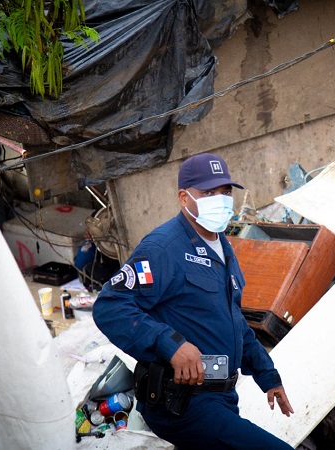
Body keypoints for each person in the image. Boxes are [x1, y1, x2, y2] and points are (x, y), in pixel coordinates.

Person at [92, 153, 294, 449]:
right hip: (184, 401)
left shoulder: (221, 245)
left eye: (225, 191)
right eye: (208, 192)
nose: (221, 199)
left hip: (221, 396)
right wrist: (171, 344)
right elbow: (110, 307)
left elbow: (233, 321)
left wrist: (267, 375)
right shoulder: (163, 247)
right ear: (184, 198)